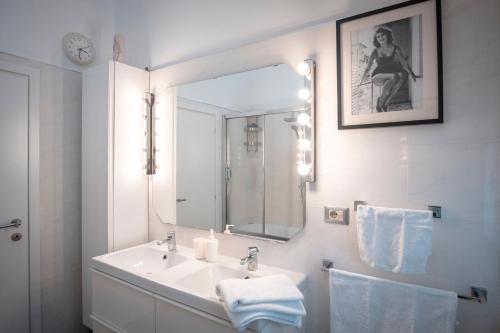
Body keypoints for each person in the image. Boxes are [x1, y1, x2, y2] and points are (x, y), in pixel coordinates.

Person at [359, 26, 419, 112]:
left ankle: (387, 102)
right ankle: (381, 102)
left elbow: (404, 63)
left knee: (402, 75)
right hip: (378, 75)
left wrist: (412, 74)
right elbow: (368, 67)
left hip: (390, 75)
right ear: (376, 39)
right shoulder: (375, 51)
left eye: (382, 35)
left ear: (387, 35)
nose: (380, 38)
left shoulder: (395, 48)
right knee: (395, 76)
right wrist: (362, 81)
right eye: (378, 37)